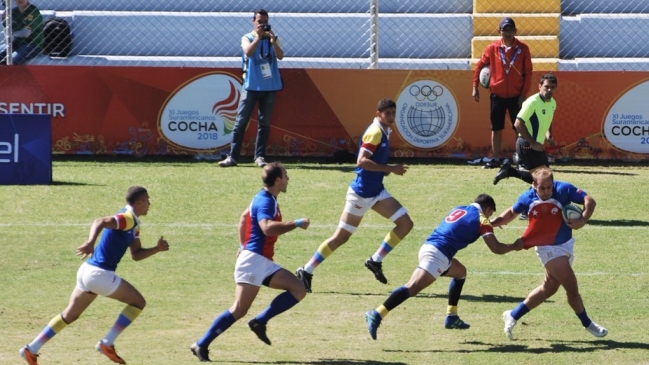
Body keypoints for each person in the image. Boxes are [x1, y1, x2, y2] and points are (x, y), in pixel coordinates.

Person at [19, 186, 170, 365]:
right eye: (147, 200)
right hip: (99, 274)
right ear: (139, 202)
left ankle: (31, 349)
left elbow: (136, 255)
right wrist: (90, 242)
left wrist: (157, 249)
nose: (149, 204)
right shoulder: (127, 218)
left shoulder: (134, 225)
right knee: (138, 302)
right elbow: (100, 221)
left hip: (87, 272)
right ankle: (107, 343)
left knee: (69, 315)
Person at [190, 162, 309, 362]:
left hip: (261, 261)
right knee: (238, 309)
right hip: (254, 261)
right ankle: (201, 344)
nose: (288, 179)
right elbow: (268, 228)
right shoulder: (266, 202)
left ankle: (260, 321)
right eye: (286, 176)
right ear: (278, 180)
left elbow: (244, 218)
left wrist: (241, 245)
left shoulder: (264, 197)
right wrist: (295, 224)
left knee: (298, 289)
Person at [364, 194, 524, 340]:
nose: (489, 217)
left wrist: (489, 224)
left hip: (430, 247)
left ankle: (452, 316)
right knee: (412, 288)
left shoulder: (460, 208)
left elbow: (464, 225)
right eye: (490, 214)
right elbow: (495, 248)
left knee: (460, 272)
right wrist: (514, 246)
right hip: (437, 256)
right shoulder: (482, 220)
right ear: (488, 209)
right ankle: (377, 314)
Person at [295, 98, 413, 293]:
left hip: (376, 192)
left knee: (406, 223)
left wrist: (382, 171)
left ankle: (375, 260)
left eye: (393, 113)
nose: (391, 117)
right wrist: (390, 168)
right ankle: (306, 271)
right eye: (387, 114)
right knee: (340, 238)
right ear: (378, 114)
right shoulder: (375, 132)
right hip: (360, 195)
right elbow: (361, 161)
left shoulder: (385, 130)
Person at [490, 167, 608, 340]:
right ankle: (588, 323)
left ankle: (513, 315)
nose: (546, 192)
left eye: (549, 187)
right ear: (533, 185)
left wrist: (582, 219)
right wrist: (490, 223)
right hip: (546, 248)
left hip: (566, 244)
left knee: (549, 288)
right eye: (542, 188)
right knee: (571, 287)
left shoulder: (564, 189)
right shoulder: (527, 198)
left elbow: (589, 200)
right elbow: (509, 214)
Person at [218, 8, 284, 168]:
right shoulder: (247, 38)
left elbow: (280, 56)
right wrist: (258, 38)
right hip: (251, 86)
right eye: (259, 22)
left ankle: (259, 157)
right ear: (253, 22)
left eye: (265, 22)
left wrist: (273, 41)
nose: (262, 25)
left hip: (269, 87)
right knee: (241, 121)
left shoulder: (273, 38)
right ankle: (233, 157)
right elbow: (248, 52)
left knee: (264, 123)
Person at [472, 17, 533, 169]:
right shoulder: (492, 48)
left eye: (510, 29)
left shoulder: (523, 48)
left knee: (518, 127)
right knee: (496, 127)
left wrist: (523, 94)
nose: (507, 33)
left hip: (515, 95)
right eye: (504, 30)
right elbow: (479, 66)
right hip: (497, 94)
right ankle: (496, 158)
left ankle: (520, 157)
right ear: (499, 31)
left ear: (515, 31)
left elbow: (528, 72)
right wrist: (475, 86)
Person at [493, 73, 558, 186]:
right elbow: (518, 123)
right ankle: (510, 171)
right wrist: (532, 142)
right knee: (545, 180)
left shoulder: (552, 103)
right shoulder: (532, 102)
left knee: (544, 180)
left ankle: (509, 171)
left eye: (552, 87)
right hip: (526, 144)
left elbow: (548, 120)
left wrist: (549, 136)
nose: (549, 90)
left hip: (537, 145)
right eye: (546, 86)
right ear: (539, 86)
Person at [1, 0, 44, 65]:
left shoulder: (32, 11)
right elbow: (8, 31)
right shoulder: (14, 12)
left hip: (32, 45)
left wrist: (12, 34)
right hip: (17, 43)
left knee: (11, 61)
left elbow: (26, 32)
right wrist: (5, 20)